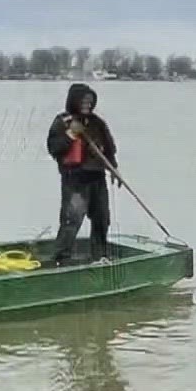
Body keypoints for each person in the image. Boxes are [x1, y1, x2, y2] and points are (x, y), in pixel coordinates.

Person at [45, 83, 119, 265]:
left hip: (97, 179)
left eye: (90, 101)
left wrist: (114, 169)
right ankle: (61, 259)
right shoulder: (63, 122)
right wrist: (70, 134)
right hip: (74, 180)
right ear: (74, 101)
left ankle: (99, 255)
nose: (87, 105)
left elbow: (109, 150)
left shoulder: (97, 123)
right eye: (83, 101)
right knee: (72, 220)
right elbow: (54, 149)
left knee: (102, 218)